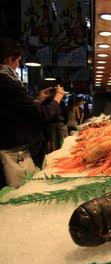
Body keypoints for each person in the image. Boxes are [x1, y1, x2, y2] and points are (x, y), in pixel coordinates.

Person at [0, 37, 65, 188]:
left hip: (11, 148)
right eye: (18, 61)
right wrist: (58, 97)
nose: (18, 66)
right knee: (15, 194)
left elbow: (17, 111)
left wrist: (38, 99)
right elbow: (43, 115)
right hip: (11, 153)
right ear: (10, 59)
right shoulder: (8, 84)